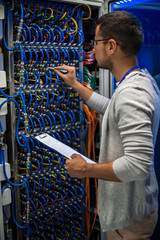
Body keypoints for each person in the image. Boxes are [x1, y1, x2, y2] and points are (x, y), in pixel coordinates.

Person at [54, 11, 160, 240]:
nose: (93, 49)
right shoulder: (139, 79)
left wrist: (87, 170)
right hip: (132, 212)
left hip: (130, 221)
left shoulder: (132, 93)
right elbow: (115, 109)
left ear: (111, 46)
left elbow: (138, 165)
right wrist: (76, 85)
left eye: (97, 42)